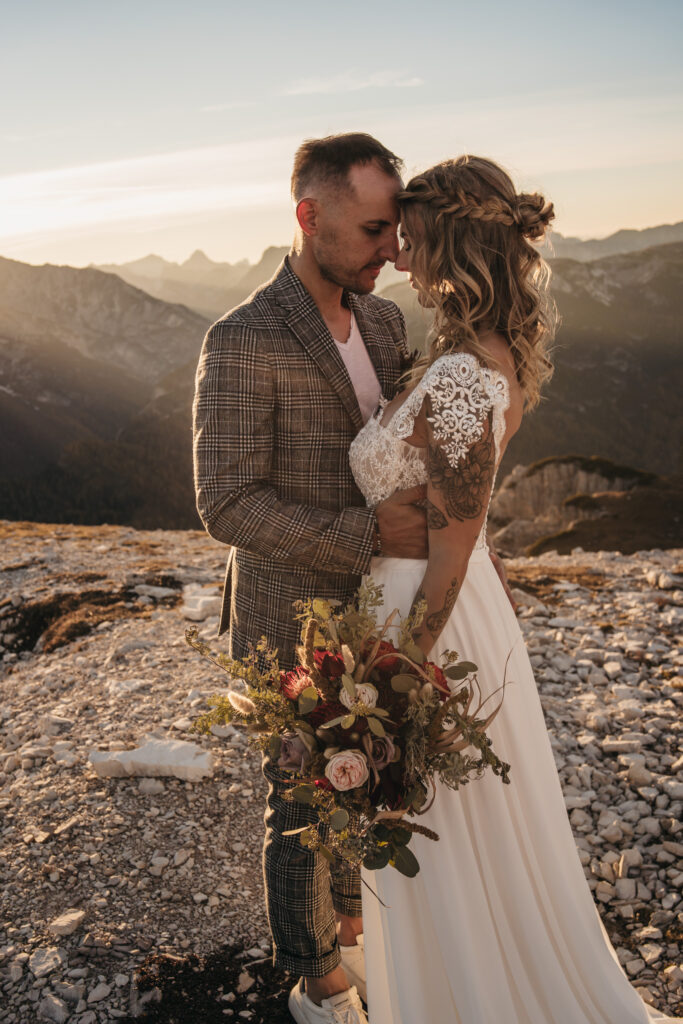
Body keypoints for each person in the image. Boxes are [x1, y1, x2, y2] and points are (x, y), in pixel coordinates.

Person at [348, 155, 682, 1023]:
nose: (402, 261)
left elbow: (455, 547)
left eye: (413, 242)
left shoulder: (463, 373)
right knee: (452, 821)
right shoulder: (477, 353)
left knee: (444, 824)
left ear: (452, 246)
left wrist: (394, 670)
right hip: (433, 598)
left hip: (432, 614)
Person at [193, 133, 429, 1024]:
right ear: (308, 215)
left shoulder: (385, 320)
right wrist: (365, 534)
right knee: (299, 798)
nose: (391, 250)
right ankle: (317, 986)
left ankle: (353, 935)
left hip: (377, 605)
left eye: (395, 229)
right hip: (287, 609)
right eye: (374, 229)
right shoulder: (244, 335)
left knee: (365, 778)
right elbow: (227, 504)